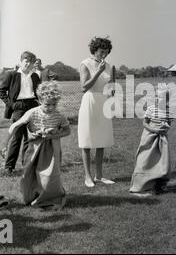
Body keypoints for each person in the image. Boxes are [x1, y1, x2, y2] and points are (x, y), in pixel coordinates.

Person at [6, 81, 70, 209]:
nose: (51, 107)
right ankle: (32, 196)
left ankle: (50, 198)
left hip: (51, 149)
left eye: (54, 104)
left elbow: (67, 131)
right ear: (40, 100)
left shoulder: (59, 115)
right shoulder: (32, 112)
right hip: (34, 147)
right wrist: (4, 143)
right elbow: (15, 125)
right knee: (29, 173)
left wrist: (52, 136)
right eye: (47, 104)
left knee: (48, 175)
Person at [78, 36, 115, 188]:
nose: (104, 55)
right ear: (94, 50)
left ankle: (99, 176)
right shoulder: (85, 64)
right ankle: (88, 177)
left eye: (106, 52)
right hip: (90, 101)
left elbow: (110, 84)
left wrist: (111, 92)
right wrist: (98, 72)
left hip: (103, 102)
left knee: (102, 140)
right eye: (101, 52)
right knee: (87, 141)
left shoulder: (109, 65)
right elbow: (84, 87)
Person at [0, 51, 40, 173]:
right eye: (26, 61)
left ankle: (26, 164)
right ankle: (9, 167)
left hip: (33, 105)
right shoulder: (11, 75)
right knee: (17, 136)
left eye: (31, 62)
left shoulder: (35, 76)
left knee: (30, 137)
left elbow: (38, 91)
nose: (28, 64)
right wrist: (12, 104)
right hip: (19, 106)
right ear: (21, 61)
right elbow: (1, 91)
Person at [130, 86, 172, 197]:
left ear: (167, 99)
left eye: (161, 97)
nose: (157, 99)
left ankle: (159, 184)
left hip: (162, 140)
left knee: (162, 161)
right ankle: (140, 185)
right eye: (156, 96)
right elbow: (144, 123)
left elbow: (169, 124)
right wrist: (154, 129)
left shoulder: (169, 111)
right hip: (149, 137)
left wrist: (165, 127)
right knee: (145, 160)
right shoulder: (151, 109)